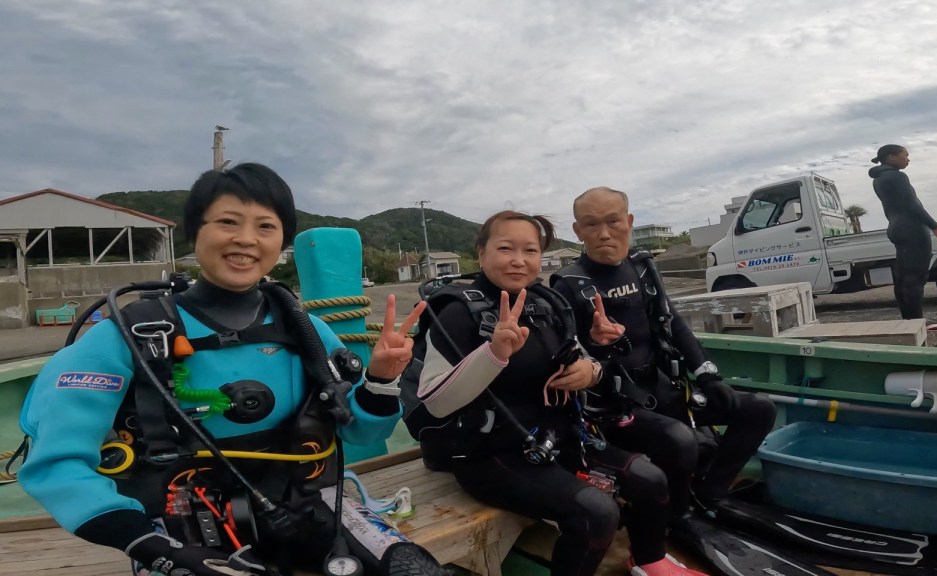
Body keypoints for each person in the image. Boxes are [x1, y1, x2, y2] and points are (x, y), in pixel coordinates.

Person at [18, 163, 428, 576]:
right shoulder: (127, 336)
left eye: (265, 226)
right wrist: (148, 544)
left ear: (281, 241)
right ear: (194, 233)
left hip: (307, 502)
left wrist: (380, 379)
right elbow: (56, 463)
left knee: (412, 567)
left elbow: (361, 432)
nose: (246, 239)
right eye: (228, 222)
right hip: (176, 525)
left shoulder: (305, 329)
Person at [415, 210, 706, 576]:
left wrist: (590, 369)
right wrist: (493, 355)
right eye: (505, 248)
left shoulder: (547, 304)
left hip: (557, 440)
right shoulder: (457, 314)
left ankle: (650, 560)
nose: (519, 260)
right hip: (490, 455)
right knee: (596, 514)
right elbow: (436, 403)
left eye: (530, 250)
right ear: (481, 252)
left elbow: (583, 359)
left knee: (651, 480)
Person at [550, 187, 777, 525]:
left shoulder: (642, 268)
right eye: (591, 224)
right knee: (678, 439)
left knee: (759, 409)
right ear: (577, 231)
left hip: (664, 389)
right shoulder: (567, 286)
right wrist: (595, 343)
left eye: (613, 221)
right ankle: (677, 515)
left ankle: (710, 492)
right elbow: (565, 357)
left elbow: (675, 323)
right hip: (614, 409)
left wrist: (707, 375)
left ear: (629, 221)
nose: (604, 233)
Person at [869, 144, 937, 332]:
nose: (908, 159)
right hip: (911, 228)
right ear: (891, 157)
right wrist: (935, 227)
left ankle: (909, 319)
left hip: (896, 227)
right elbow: (912, 205)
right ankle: (916, 321)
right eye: (905, 155)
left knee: (903, 277)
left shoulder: (879, 178)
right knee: (915, 277)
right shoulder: (896, 176)